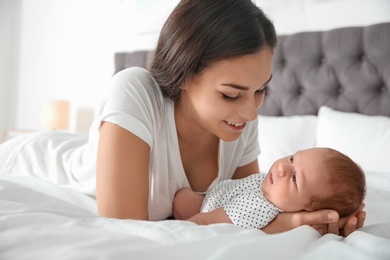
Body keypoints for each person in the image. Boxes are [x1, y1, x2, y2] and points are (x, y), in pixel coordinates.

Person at [0, 0, 365, 235]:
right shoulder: (135, 90)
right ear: (186, 74)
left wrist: (319, 220)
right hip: (35, 160)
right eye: (231, 94)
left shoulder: (241, 122)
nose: (252, 111)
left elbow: (252, 207)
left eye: (260, 90)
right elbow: (125, 232)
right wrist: (279, 228)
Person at [173, 148, 366, 230]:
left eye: (295, 179)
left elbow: (207, 222)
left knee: (182, 199)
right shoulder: (274, 190)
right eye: (292, 158)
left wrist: (179, 230)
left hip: (207, 208)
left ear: (307, 209)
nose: (282, 168)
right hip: (218, 194)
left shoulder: (258, 208)